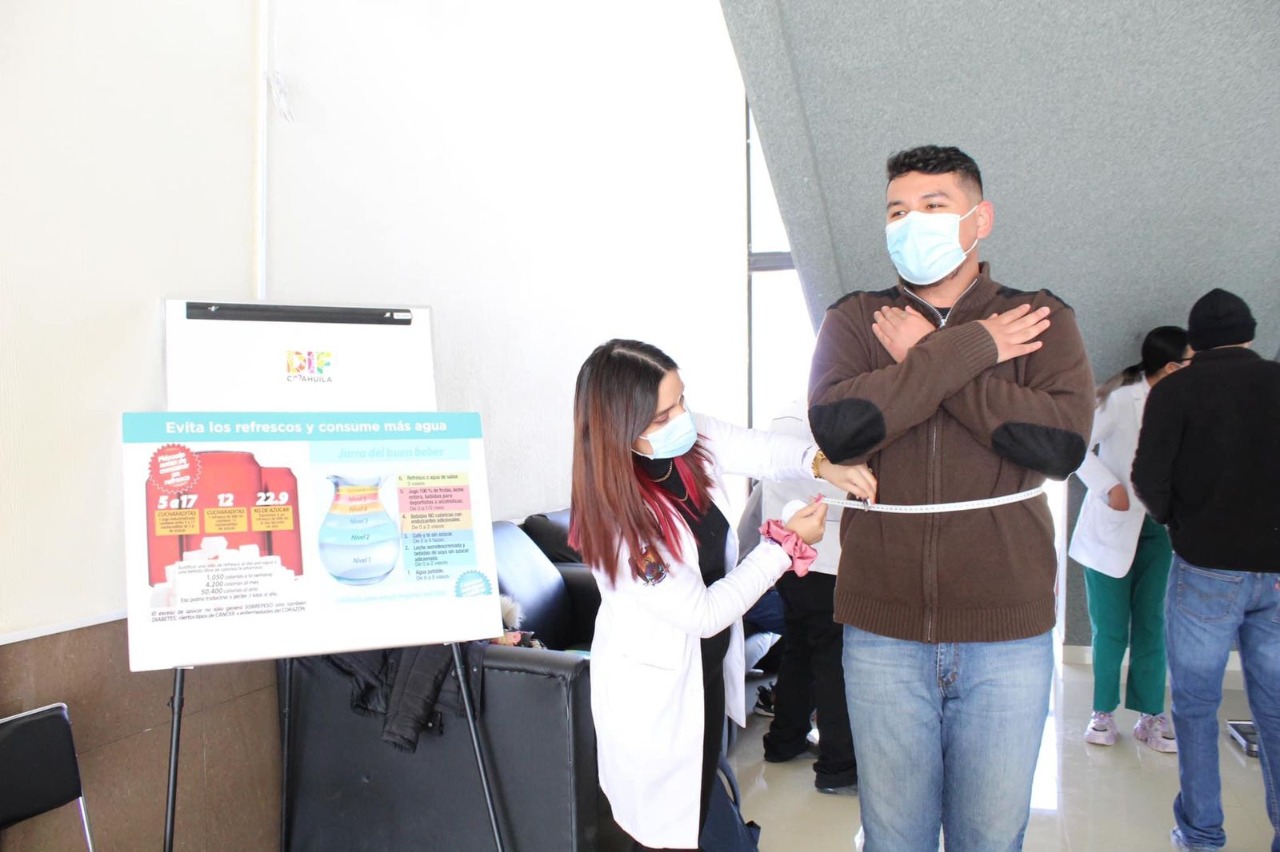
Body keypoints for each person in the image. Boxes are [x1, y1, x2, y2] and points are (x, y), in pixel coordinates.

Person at [808, 145, 1095, 851]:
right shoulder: (856, 320)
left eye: (933, 206)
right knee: (893, 835)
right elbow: (841, 430)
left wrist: (931, 359)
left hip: (1007, 631)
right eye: (897, 211)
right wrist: (970, 350)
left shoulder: (1037, 318)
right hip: (882, 630)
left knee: (990, 837)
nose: (911, 223)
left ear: (979, 219)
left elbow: (1057, 446)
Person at [570, 339, 876, 851]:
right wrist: (783, 546)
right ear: (619, 427)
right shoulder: (623, 522)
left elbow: (762, 449)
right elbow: (704, 612)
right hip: (656, 700)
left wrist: (822, 465)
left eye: (681, 400)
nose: (683, 418)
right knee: (680, 827)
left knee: (702, 804)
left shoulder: (684, 443)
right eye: (664, 414)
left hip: (703, 677)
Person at [1131, 288, 1280, 852]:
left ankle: (1201, 834)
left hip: (1204, 569)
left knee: (1195, 708)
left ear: (1195, 342)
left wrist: (1178, 522)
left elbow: (1149, 477)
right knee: (1276, 709)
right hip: (1277, 573)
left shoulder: (1175, 390)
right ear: (1250, 333)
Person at [1069, 326, 1188, 751]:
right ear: (1171, 367)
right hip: (1113, 525)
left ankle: (1150, 715)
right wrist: (1110, 488)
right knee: (1111, 628)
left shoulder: (1187, 400)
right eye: (1191, 361)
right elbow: (1075, 447)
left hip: (1161, 529)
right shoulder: (1120, 400)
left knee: (1153, 624)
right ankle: (1102, 712)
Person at [758, 401, 859, 795]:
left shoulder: (780, 417)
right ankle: (838, 767)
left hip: (785, 559)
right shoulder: (835, 421)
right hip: (826, 561)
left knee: (798, 649)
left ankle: (784, 741)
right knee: (832, 661)